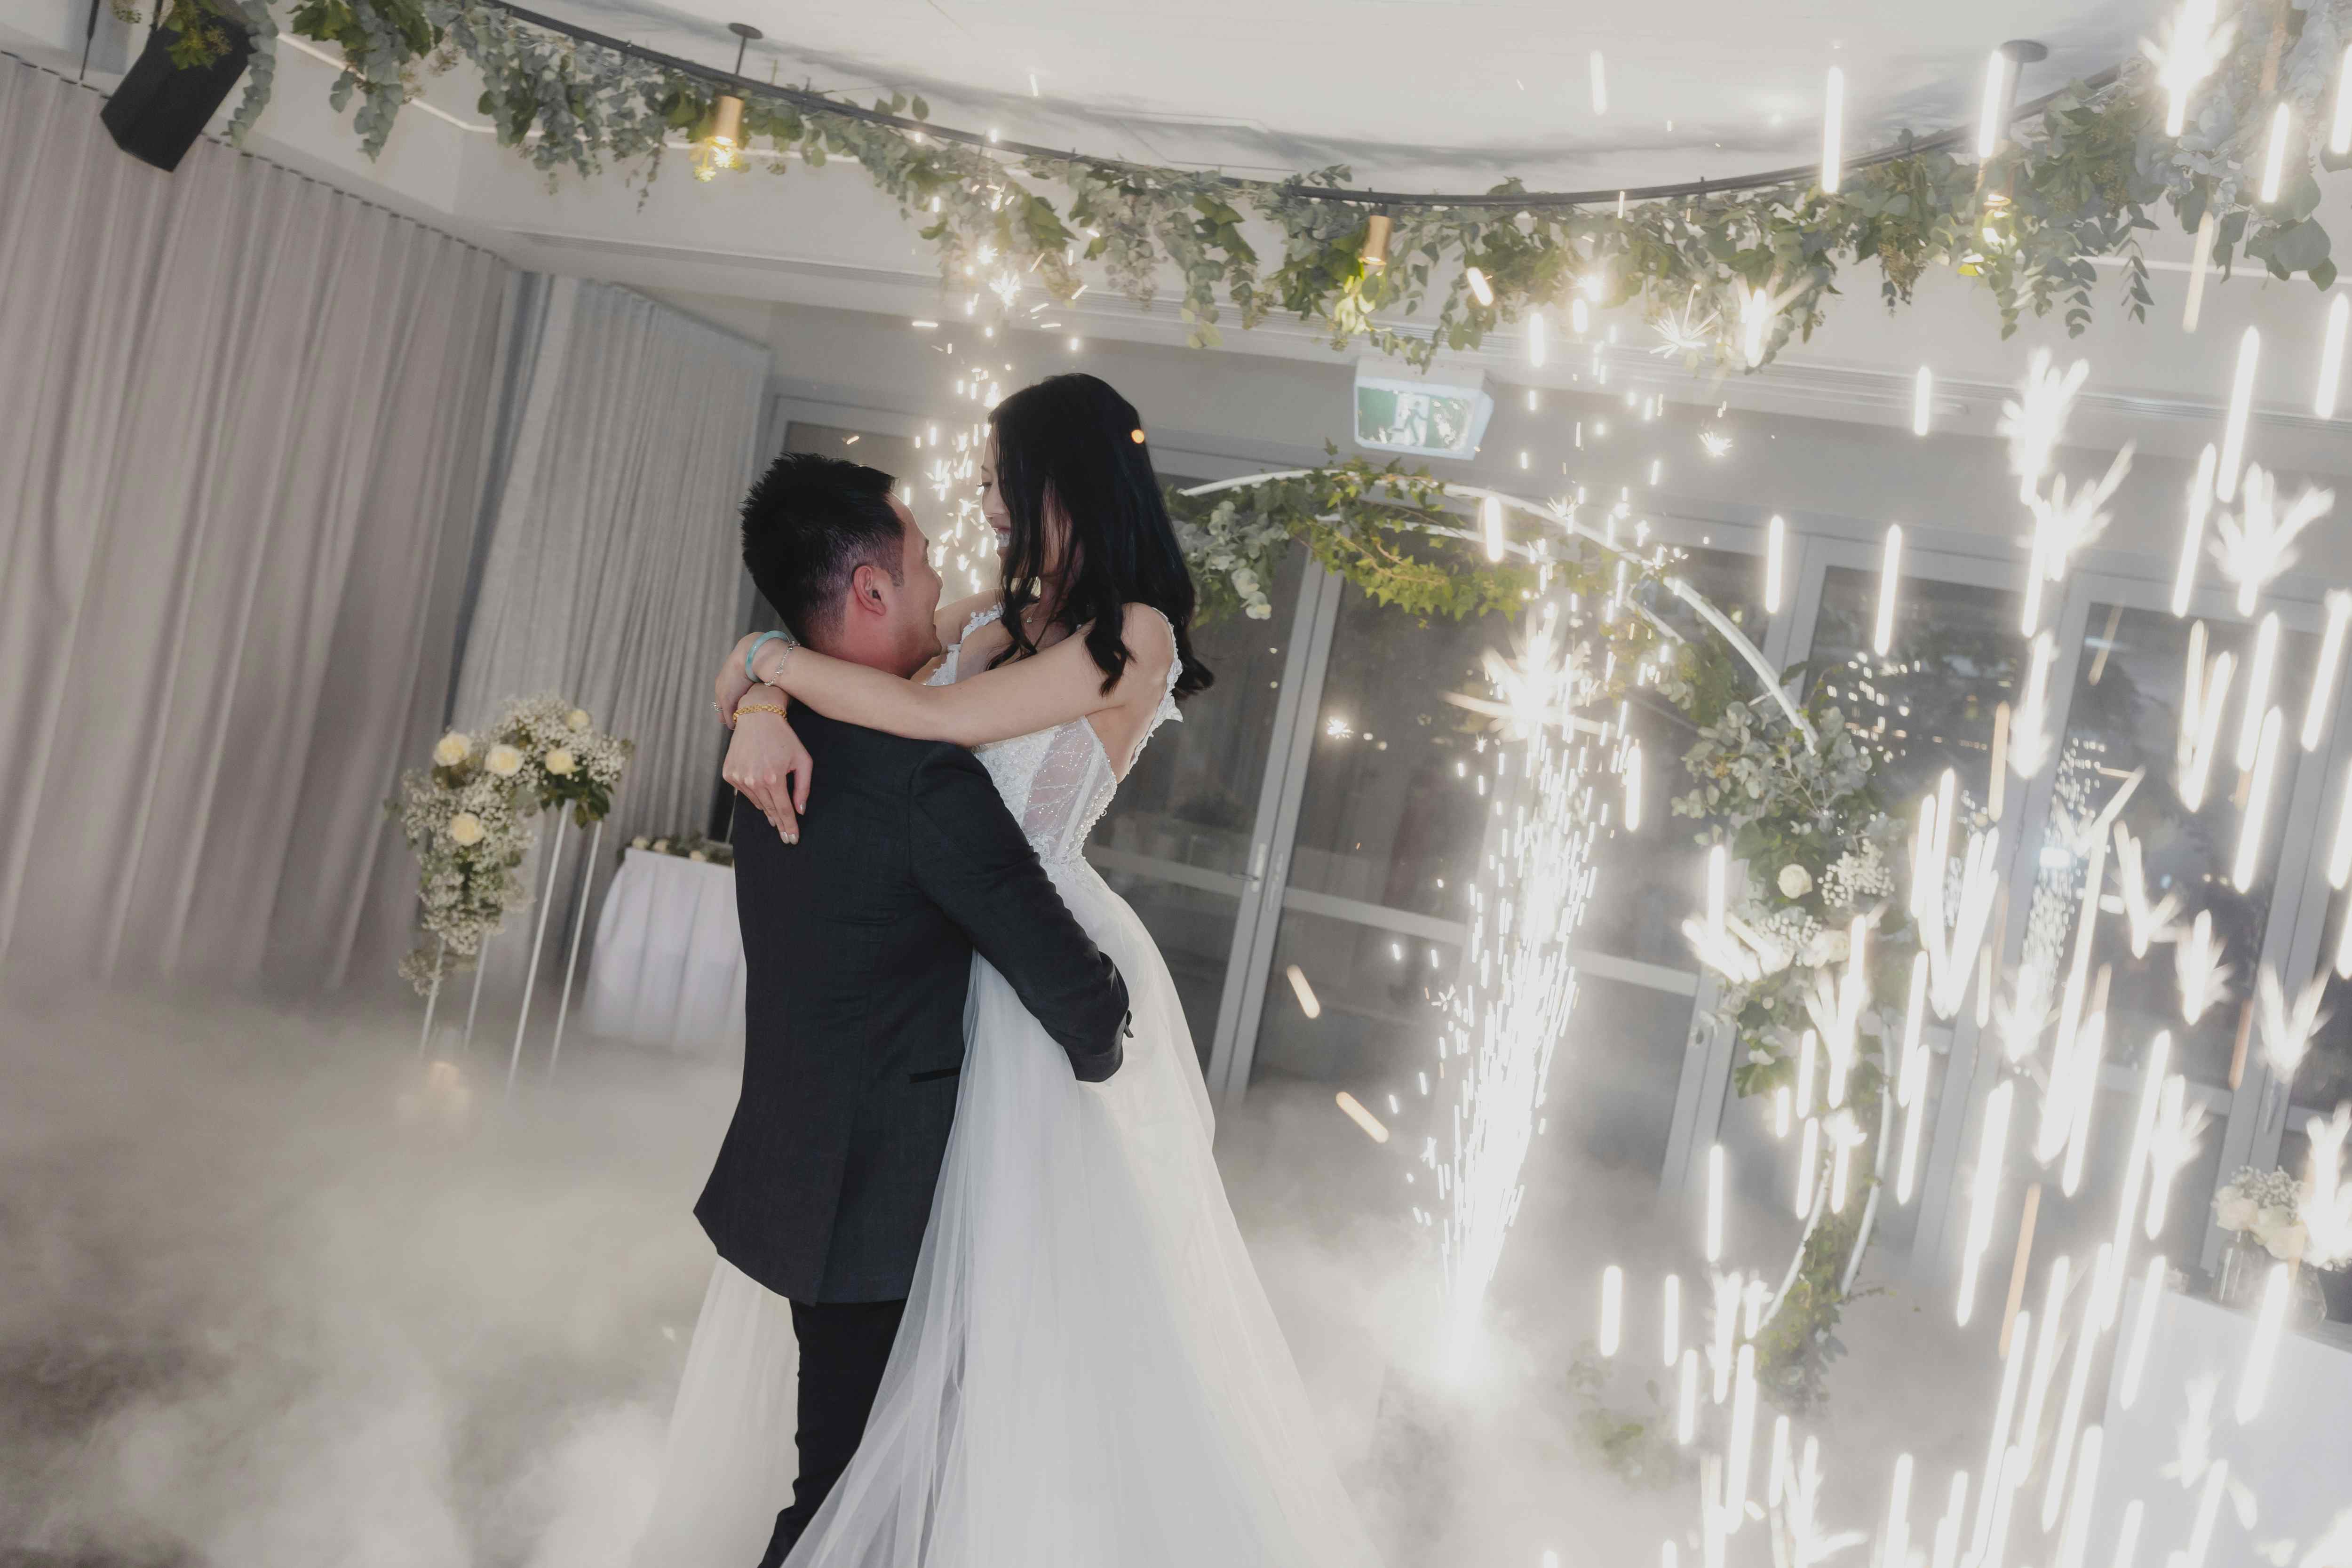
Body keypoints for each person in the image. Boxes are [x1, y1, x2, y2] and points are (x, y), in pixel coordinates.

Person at [710, 373, 1383, 1565]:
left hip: (1036, 953)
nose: (984, 504)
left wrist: (769, 659)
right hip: (951, 949)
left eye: (998, 481)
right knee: (912, 1337)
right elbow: (874, 666)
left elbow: (937, 725)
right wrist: (761, 688)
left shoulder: (1135, 633)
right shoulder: (995, 616)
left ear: (1062, 482)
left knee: (1011, 1322)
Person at [632, 452, 1132, 1568]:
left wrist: (763, 674)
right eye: (923, 561)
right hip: (884, 1200)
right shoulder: (917, 772)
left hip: (814, 1165)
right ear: (868, 589)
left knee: (853, 1482)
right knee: (852, 1505)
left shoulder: (776, 737)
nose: (940, 577)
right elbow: (1061, 976)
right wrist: (1112, 1030)